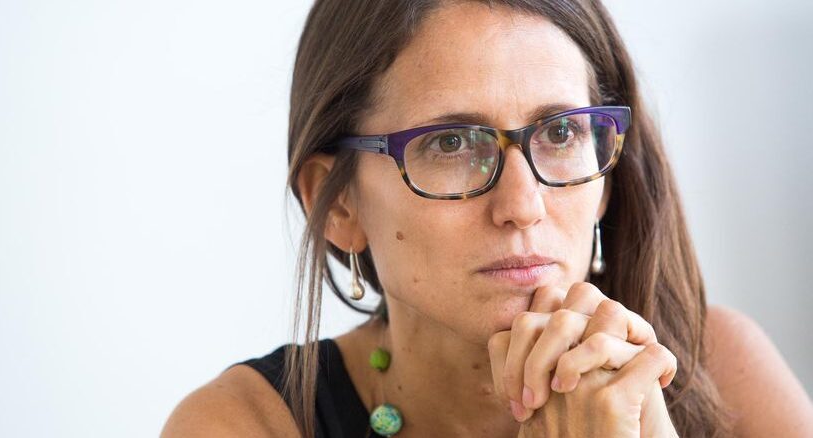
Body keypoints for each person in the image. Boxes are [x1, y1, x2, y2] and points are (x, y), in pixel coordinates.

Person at [161, 1, 813, 436]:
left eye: (561, 132)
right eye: (451, 143)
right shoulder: (242, 424)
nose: (522, 205)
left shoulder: (717, 366)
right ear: (337, 206)